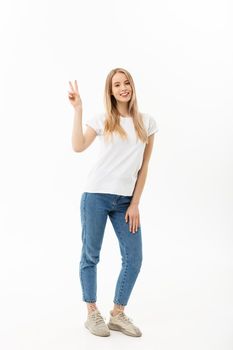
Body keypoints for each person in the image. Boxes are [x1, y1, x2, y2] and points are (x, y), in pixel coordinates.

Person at [68, 68, 159, 337]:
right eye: (117, 84)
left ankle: (117, 314)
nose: (123, 87)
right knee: (91, 255)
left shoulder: (147, 122)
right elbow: (77, 146)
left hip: (125, 202)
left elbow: (144, 168)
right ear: (110, 91)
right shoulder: (103, 119)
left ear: (132, 85)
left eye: (126, 82)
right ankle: (92, 312)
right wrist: (78, 110)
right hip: (95, 195)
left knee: (134, 258)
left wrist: (135, 203)